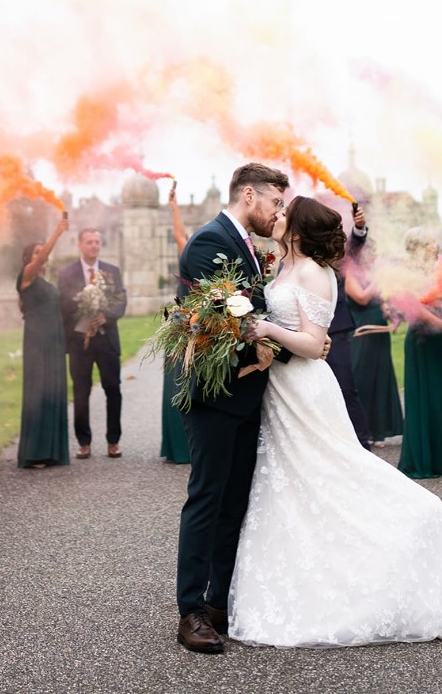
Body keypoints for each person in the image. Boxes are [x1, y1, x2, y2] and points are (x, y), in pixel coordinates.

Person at [229, 196, 442, 648]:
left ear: (297, 228)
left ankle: (416, 523)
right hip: (281, 391)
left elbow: (313, 341)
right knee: (296, 484)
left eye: (282, 213)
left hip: (304, 391)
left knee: (333, 473)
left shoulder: (316, 273)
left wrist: (262, 329)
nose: (275, 217)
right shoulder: (282, 266)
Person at [174, 163, 292, 654]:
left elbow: (255, 306)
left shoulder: (245, 243)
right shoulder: (208, 241)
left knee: (235, 503)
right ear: (249, 195)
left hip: (248, 396)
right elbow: (220, 313)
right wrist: (265, 341)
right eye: (275, 203)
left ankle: (220, 599)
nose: (278, 213)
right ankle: (190, 612)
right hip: (216, 394)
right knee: (207, 499)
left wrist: (278, 342)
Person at [397, 227, 442, 479]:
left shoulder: (432, 271)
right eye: (429, 243)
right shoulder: (408, 273)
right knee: (423, 401)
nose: (434, 246)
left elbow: (436, 308)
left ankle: (437, 461)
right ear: (417, 246)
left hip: (438, 341)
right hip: (421, 342)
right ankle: (420, 461)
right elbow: (416, 310)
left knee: (436, 401)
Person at [58, 228, 127, 460]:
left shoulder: (111, 270)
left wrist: (106, 315)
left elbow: (121, 300)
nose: (94, 246)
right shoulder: (67, 273)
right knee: (80, 392)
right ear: (80, 245)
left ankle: (113, 441)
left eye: (97, 242)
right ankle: (84, 443)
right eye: (89, 242)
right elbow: (64, 304)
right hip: (80, 342)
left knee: (113, 389)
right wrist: (85, 304)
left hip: (106, 339)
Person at [16, 216, 70, 468]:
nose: (42, 255)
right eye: (36, 252)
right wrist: (57, 232)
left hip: (54, 341)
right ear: (29, 258)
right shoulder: (26, 277)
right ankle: (35, 452)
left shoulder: (47, 282)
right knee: (38, 391)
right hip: (37, 343)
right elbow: (39, 259)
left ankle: (53, 450)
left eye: (43, 250)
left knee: (54, 390)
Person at [345, 248, 403, 445]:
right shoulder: (350, 274)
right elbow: (361, 297)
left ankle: (378, 432)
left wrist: (390, 311)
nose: (375, 258)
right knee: (361, 378)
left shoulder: (372, 274)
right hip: (361, 330)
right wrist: (378, 279)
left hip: (379, 331)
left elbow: (381, 301)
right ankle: (360, 429)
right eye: (371, 254)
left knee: (380, 378)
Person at [325, 204, 371, 447]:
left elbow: (352, 250)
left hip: (335, 330)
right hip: (303, 337)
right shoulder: (292, 256)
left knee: (345, 388)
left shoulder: (334, 257)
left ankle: (362, 445)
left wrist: (359, 228)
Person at [161, 183, 190, 465]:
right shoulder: (190, 256)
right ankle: (180, 445)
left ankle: (181, 444)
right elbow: (180, 235)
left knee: (182, 378)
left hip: (190, 320)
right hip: (184, 321)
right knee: (180, 378)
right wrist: (174, 207)